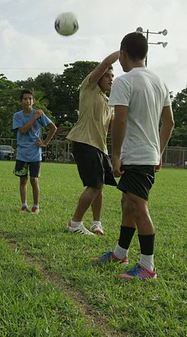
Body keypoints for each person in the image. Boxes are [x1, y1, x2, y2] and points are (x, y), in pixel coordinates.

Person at [91, 32, 174, 280]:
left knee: (138, 208)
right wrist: (158, 152)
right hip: (146, 155)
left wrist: (116, 156)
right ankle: (120, 253)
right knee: (127, 204)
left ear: (124, 53)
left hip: (135, 156)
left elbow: (121, 120)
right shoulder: (159, 82)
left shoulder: (125, 81)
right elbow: (169, 122)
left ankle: (148, 267)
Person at [66, 52, 119, 236]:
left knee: (100, 185)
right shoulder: (88, 87)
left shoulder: (109, 101)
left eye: (113, 76)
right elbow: (105, 62)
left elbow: (112, 128)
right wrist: (122, 52)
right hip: (85, 142)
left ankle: (97, 223)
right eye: (107, 75)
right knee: (95, 186)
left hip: (100, 147)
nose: (111, 79)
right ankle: (75, 223)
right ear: (98, 75)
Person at [12, 89, 57, 213]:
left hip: (35, 154)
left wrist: (45, 142)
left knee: (34, 180)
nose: (28, 101)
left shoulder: (39, 114)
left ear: (33, 101)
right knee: (23, 180)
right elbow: (22, 130)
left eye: (30, 99)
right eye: (25, 99)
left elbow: (53, 128)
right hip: (22, 153)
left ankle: (36, 206)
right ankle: (23, 205)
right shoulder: (17, 116)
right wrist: (34, 118)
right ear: (21, 101)